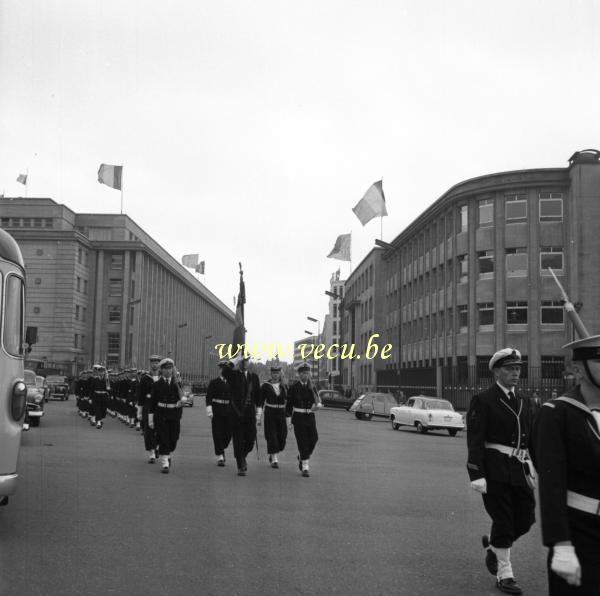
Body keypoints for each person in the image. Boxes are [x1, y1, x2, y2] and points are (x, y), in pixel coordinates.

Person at [532, 335, 600, 595]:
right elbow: (552, 483)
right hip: (581, 533)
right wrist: (560, 542)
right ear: (577, 369)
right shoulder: (557, 413)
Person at [466, 348, 536, 595]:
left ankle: (494, 547)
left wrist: (539, 468)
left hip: (519, 471)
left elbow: (533, 440)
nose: (515, 374)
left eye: (518, 369)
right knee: (504, 521)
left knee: (526, 519)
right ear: (497, 371)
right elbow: (475, 439)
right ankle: (504, 574)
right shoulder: (483, 400)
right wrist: (476, 473)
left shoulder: (526, 401)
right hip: (494, 470)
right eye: (509, 369)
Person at [220, 356, 261, 476]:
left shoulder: (254, 377)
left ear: (249, 362)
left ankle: (242, 456)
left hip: (250, 414)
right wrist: (236, 359)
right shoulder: (233, 375)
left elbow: (258, 396)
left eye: (246, 361)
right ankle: (240, 465)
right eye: (242, 361)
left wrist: (259, 412)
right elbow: (224, 371)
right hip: (236, 413)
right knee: (238, 440)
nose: (244, 363)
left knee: (250, 440)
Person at [286, 362, 322, 477]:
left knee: (314, 439)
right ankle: (305, 466)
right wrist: (289, 422)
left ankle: (302, 456)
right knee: (302, 442)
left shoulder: (312, 387)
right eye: (303, 373)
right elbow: (288, 407)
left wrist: (318, 406)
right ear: (299, 374)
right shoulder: (293, 388)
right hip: (298, 418)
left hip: (310, 417)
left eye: (307, 373)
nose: (305, 375)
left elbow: (319, 402)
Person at [148, 358, 184, 473]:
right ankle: (165, 463)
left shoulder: (176, 384)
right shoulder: (157, 385)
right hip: (161, 415)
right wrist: (150, 419)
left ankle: (167, 452)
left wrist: (181, 402)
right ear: (161, 370)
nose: (168, 371)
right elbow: (152, 403)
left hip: (174, 415)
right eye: (166, 369)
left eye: (170, 369)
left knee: (174, 439)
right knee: (164, 438)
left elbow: (182, 397)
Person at [258, 364, 288, 469]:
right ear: (271, 374)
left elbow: (289, 400)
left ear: (280, 374)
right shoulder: (266, 386)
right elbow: (260, 402)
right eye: (274, 373)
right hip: (270, 412)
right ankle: (274, 458)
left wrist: (289, 416)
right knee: (272, 436)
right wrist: (259, 416)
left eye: (278, 373)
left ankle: (273, 452)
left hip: (281, 413)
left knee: (282, 437)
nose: (276, 375)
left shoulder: (284, 385)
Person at [205, 359, 233, 467]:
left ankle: (222, 447)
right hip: (217, 410)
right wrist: (209, 410)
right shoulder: (214, 382)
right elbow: (209, 397)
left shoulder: (232, 383)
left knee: (228, 434)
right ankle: (220, 456)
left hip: (229, 411)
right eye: (222, 368)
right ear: (219, 369)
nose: (223, 370)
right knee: (217, 434)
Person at [136, 354, 161, 463]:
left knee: (161, 430)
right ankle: (151, 452)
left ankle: (157, 447)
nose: (154, 365)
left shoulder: (163, 377)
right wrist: (139, 411)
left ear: (159, 364)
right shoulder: (145, 378)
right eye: (152, 362)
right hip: (148, 406)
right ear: (150, 364)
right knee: (148, 430)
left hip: (160, 407)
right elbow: (140, 396)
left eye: (156, 362)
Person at [90, 364, 110, 429]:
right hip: (96, 396)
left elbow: (108, 389)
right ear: (98, 372)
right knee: (97, 409)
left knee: (103, 410)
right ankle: (98, 422)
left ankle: (99, 420)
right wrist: (90, 398)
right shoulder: (94, 379)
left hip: (104, 397)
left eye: (102, 372)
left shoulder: (106, 380)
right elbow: (91, 389)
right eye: (100, 372)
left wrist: (107, 380)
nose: (101, 373)